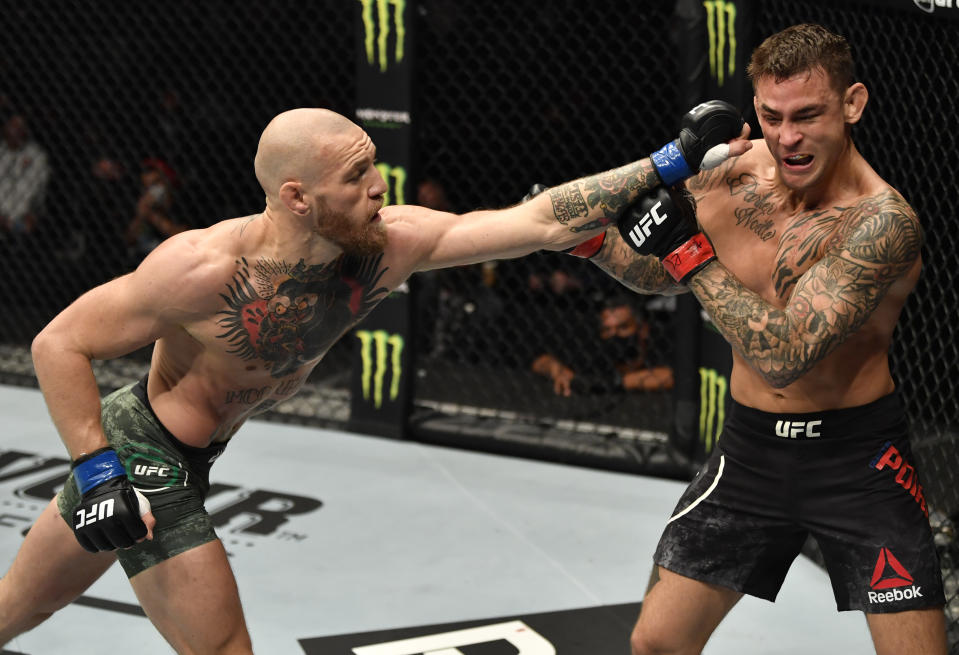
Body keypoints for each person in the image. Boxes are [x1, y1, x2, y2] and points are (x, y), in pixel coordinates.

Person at [0, 106, 748, 653]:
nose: (379, 183)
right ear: (297, 196)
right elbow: (59, 342)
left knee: (18, 608)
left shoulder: (390, 244)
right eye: (355, 175)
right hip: (144, 448)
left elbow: (542, 221)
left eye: (373, 163)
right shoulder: (202, 270)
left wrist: (670, 160)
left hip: (199, 450)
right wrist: (99, 471)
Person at [575, 23, 946, 655]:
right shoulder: (737, 174)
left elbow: (784, 353)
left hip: (859, 462)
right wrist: (587, 241)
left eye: (807, 116)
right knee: (655, 645)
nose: (787, 138)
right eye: (771, 117)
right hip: (748, 454)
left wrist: (688, 253)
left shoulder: (883, 221)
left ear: (852, 104)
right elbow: (650, 270)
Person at [531, 294, 673, 396]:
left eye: (623, 327)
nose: (614, 335)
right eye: (607, 330)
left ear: (642, 329)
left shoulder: (658, 345)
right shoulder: (594, 350)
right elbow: (541, 361)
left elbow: (673, 376)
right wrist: (557, 370)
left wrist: (614, 383)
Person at [0, 113, 50, 237]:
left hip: (22, 216)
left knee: (27, 226)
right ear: (4, 127)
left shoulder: (36, 155)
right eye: (12, 125)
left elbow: (39, 191)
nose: (15, 130)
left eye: (21, 126)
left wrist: (31, 213)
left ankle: (13, 229)